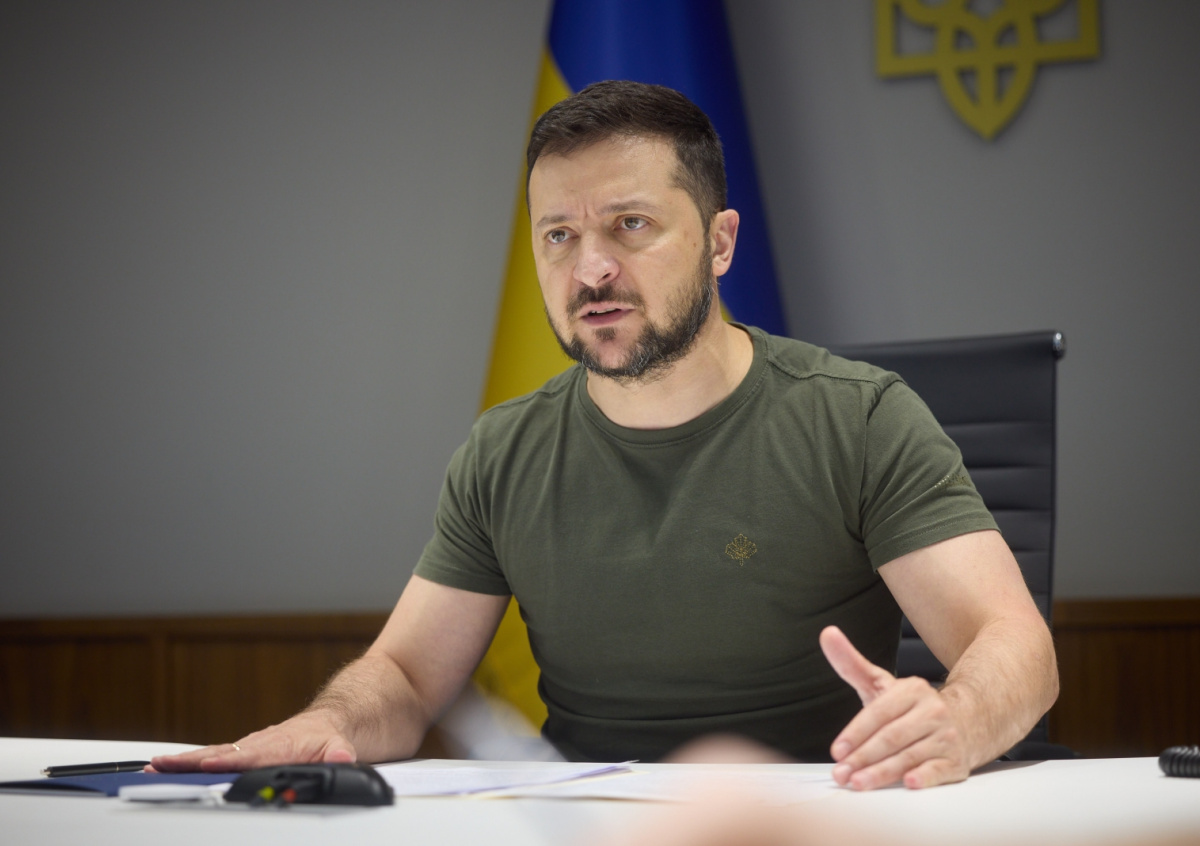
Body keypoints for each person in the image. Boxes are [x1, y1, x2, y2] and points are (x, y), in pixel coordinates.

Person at [152, 80, 1058, 790]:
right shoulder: (503, 453)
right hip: (588, 822)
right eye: (558, 235)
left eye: (631, 225)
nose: (591, 270)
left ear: (720, 242)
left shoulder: (859, 418)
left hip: (815, 817)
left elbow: (1016, 645)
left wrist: (955, 718)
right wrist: (332, 724)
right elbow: (408, 677)